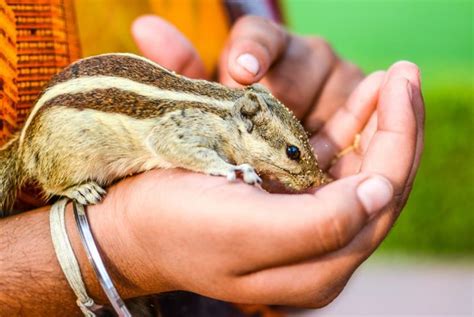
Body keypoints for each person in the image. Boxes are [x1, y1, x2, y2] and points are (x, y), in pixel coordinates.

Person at [0, 15, 424, 316]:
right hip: (64, 130)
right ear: (248, 123)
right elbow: (167, 138)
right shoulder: (201, 123)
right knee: (72, 155)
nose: (300, 169)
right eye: (292, 154)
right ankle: (68, 182)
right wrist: (116, 245)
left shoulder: (228, 116)